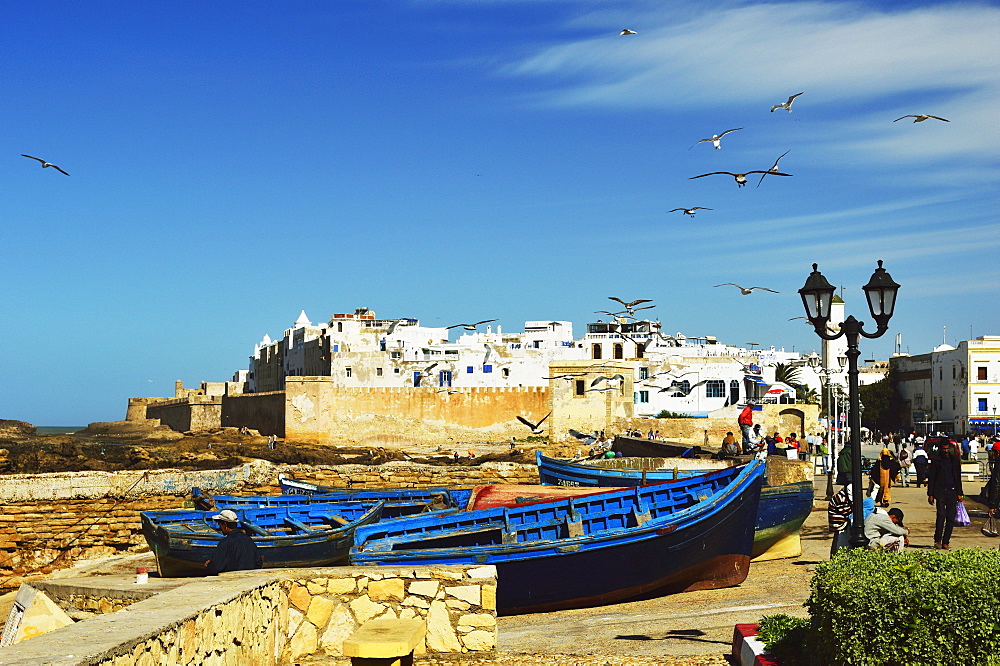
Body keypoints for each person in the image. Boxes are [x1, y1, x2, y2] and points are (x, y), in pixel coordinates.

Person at [927, 440, 964, 550]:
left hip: (952, 491)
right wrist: (931, 494)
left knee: (950, 518)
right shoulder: (936, 461)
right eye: (944, 449)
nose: (946, 451)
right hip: (940, 492)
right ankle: (938, 539)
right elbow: (932, 478)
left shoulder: (954, 460)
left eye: (947, 449)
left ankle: (946, 541)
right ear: (940, 449)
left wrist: (959, 493)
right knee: (941, 515)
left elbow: (958, 477)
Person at [205, 510, 263, 575]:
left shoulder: (226, 542)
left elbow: (217, 567)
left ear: (225, 525)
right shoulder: (248, 540)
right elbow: (258, 563)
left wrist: (209, 565)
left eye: (220, 525)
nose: (220, 528)